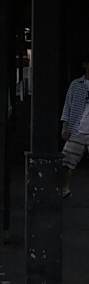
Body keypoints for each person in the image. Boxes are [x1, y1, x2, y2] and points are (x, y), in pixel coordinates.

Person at [59, 53, 89, 194]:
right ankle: (64, 189)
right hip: (78, 129)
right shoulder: (76, 85)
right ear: (85, 65)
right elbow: (68, 105)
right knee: (65, 161)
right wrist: (65, 125)